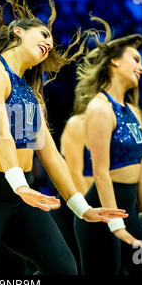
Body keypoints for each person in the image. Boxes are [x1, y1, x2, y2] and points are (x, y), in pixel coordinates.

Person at [0, 0, 128, 275]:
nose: (49, 43)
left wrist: (82, 209)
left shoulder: (32, 95)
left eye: (52, 42)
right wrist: (19, 184)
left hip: (22, 197)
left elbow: (52, 156)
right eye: (44, 34)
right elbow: (0, 133)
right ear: (17, 32)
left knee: (65, 269)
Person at [73, 16, 142, 275]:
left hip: (128, 213)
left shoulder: (133, 111)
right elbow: (100, 173)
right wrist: (115, 226)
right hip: (102, 217)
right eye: (136, 59)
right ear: (115, 60)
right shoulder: (99, 108)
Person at [52, 112, 94, 273]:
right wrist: (90, 210)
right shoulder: (77, 124)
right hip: (76, 206)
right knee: (71, 267)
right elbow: (74, 174)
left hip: (102, 205)